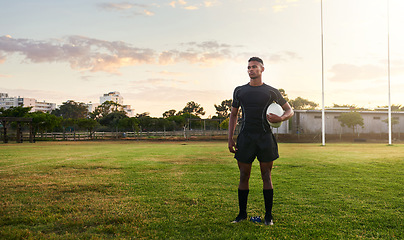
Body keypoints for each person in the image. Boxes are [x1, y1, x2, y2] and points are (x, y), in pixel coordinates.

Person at [228, 57, 294, 225]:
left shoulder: (271, 91)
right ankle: (242, 214)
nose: (251, 69)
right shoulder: (239, 91)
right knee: (244, 175)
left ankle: (268, 216)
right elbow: (234, 114)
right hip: (245, 138)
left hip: (265, 138)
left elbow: (289, 110)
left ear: (262, 69)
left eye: (254, 67)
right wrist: (230, 138)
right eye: (249, 67)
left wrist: (281, 117)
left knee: (266, 175)